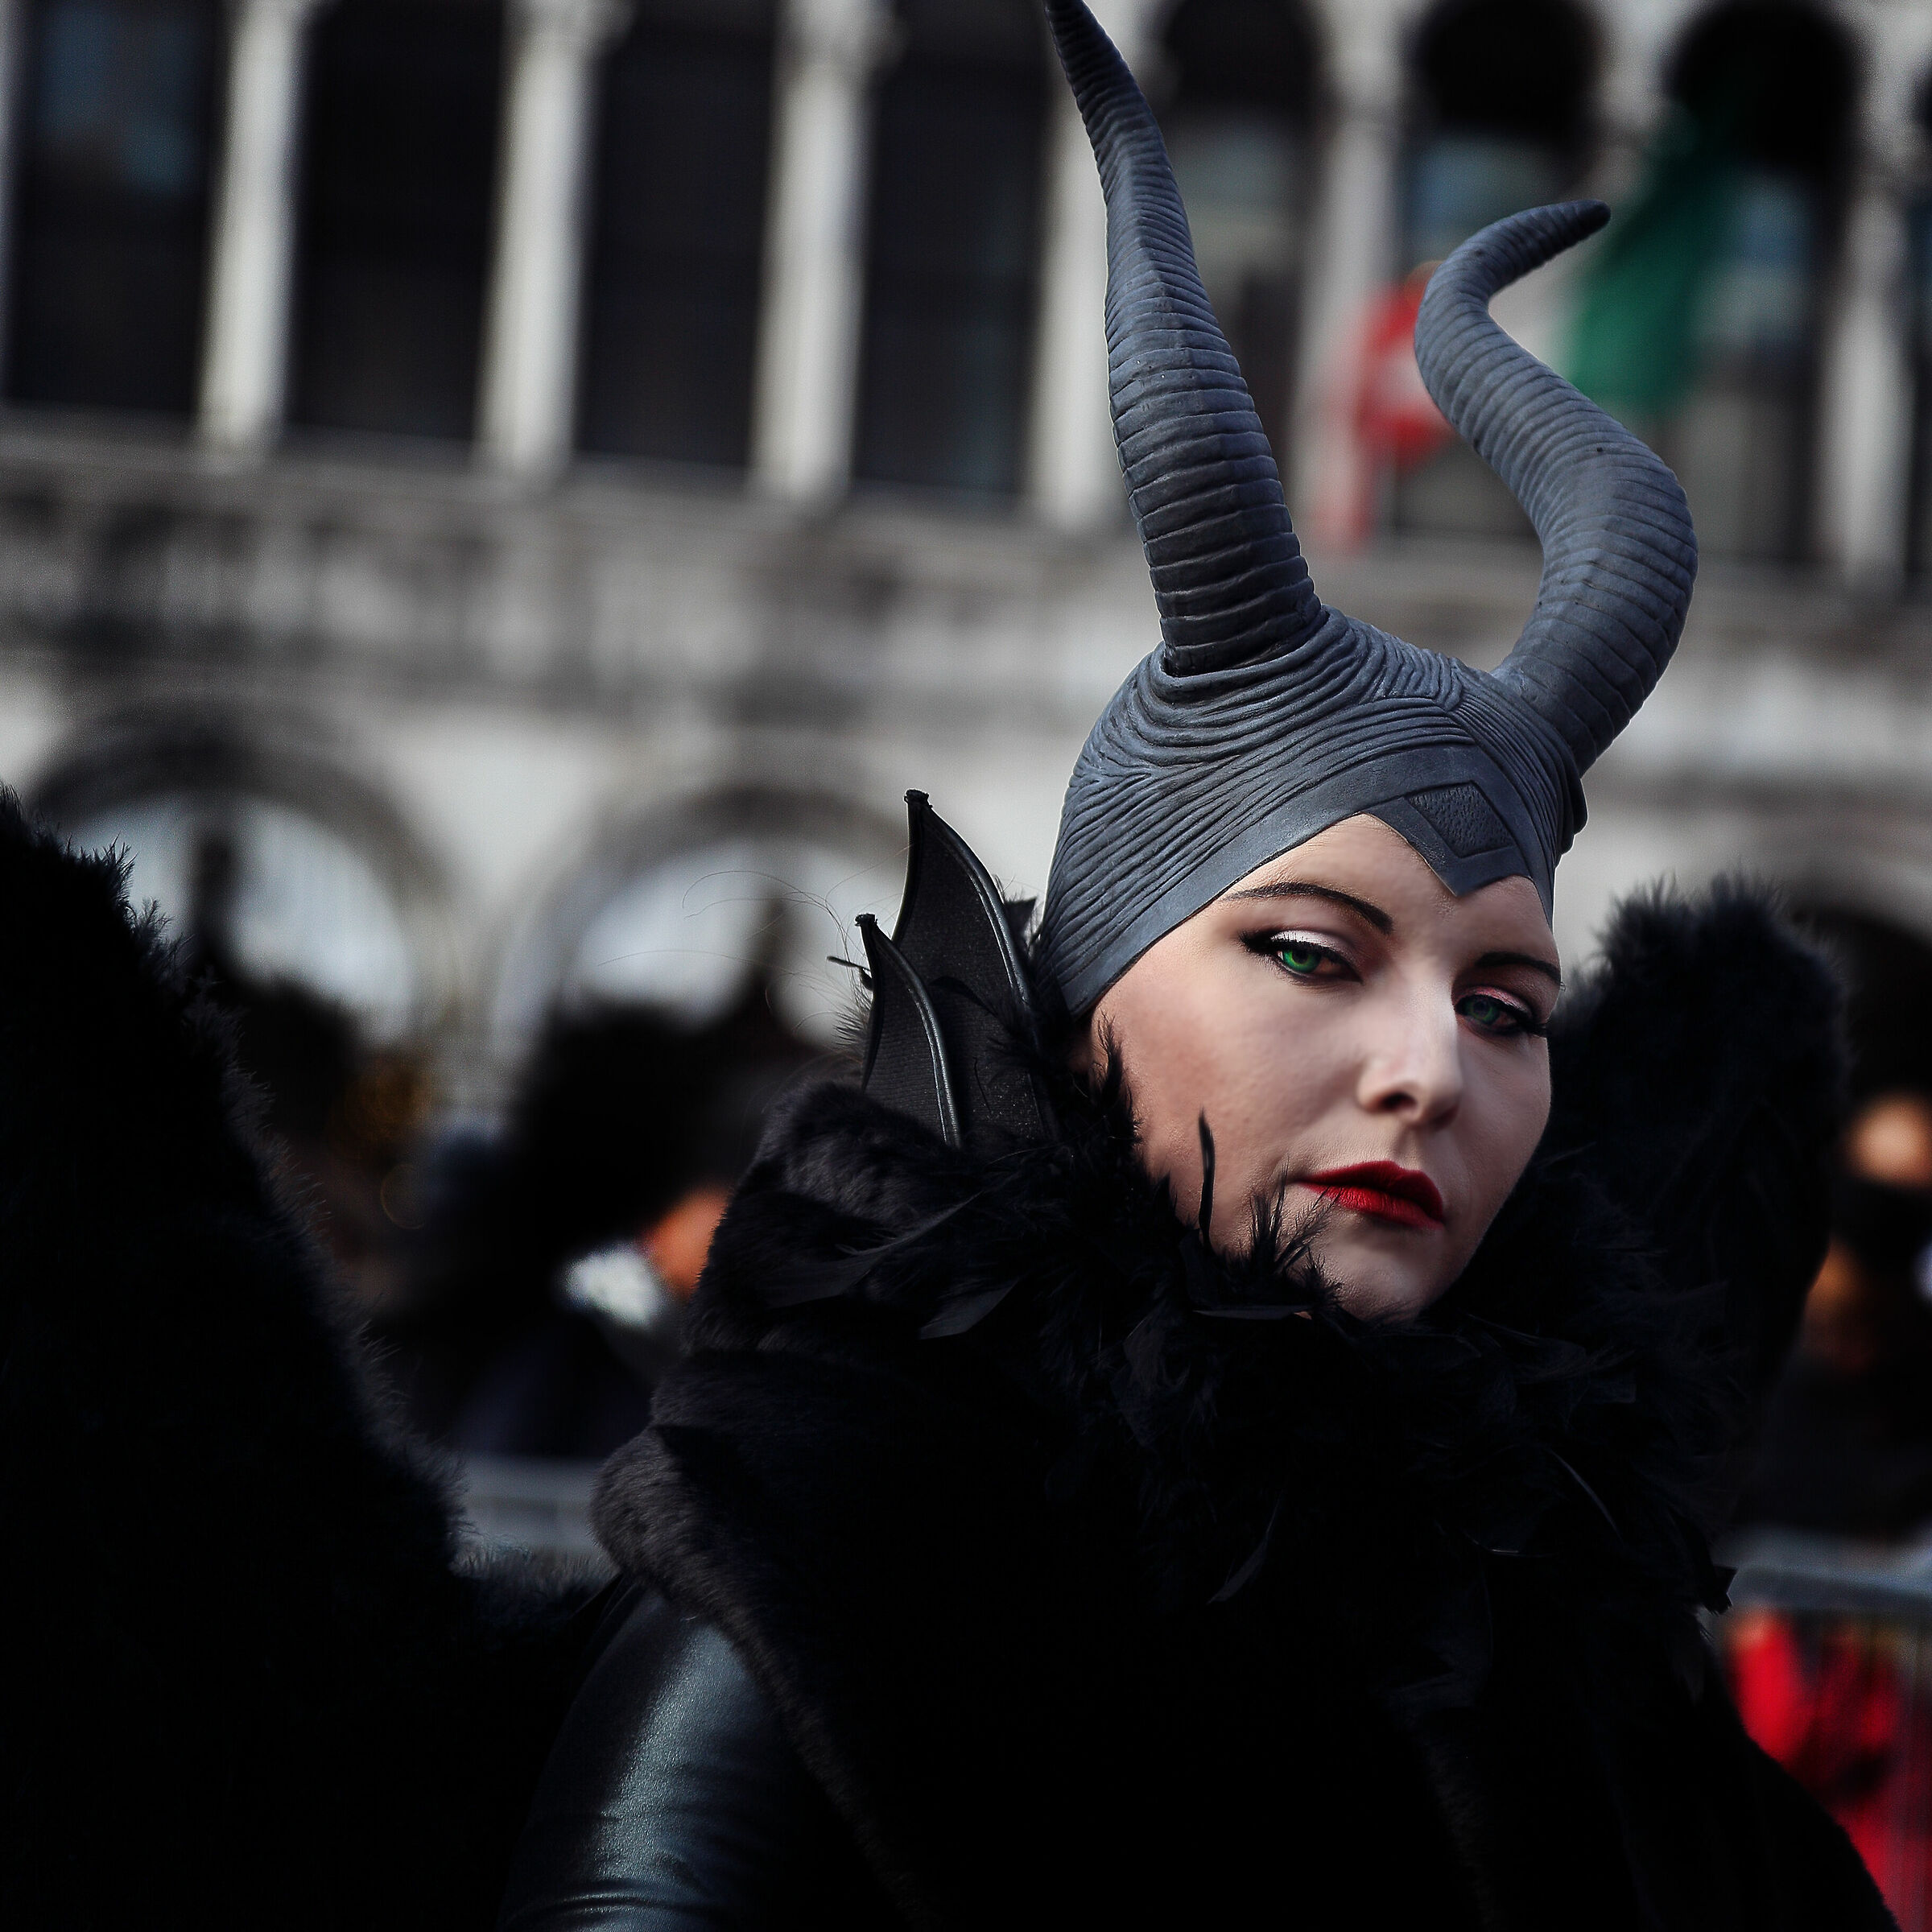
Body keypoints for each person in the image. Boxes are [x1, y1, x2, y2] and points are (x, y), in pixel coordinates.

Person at [0, 5, 1891, 1927]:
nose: (1433, 1069)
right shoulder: (832, 1578)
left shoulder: (1564, 1622)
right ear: (1089, 997)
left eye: (1506, 1005)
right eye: (1315, 956)